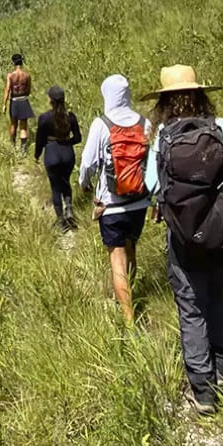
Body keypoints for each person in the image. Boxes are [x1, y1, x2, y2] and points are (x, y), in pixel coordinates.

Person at [143, 64, 223, 416]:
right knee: (222, 296)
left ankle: (203, 390)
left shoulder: (162, 137)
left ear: (164, 101)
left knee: (192, 308)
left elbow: (152, 187)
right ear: (200, 94)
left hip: (183, 239)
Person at [79, 74, 152, 327]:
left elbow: (88, 163)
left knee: (117, 259)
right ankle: (130, 294)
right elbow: (151, 163)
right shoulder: (145, 123)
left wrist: (83, 184)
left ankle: (128, 319)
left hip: (111, 204)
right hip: (140, 202)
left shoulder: (101, 124)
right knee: (131, 249)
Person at [34, 86, 82, 231]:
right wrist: (67, 143)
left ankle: (61, 220)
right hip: (68, 154)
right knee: (66, 183)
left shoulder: (44, 118)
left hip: (52, 153)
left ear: (50, 100)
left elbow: (40, 140)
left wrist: (37, 155)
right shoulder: (70, 116)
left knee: (55, 188)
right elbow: (78, 138)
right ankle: (69, 210)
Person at [3, 54, 34, 155]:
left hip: (14, 101)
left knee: (13, 124)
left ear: (13, 63)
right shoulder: (27, 75)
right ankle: (23, 149)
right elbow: (29, 89)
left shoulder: (10, 76)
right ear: (22, 62)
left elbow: (7, 90)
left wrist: (4, 104)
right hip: (24, 100)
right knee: (23, 126)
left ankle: (13, 146)